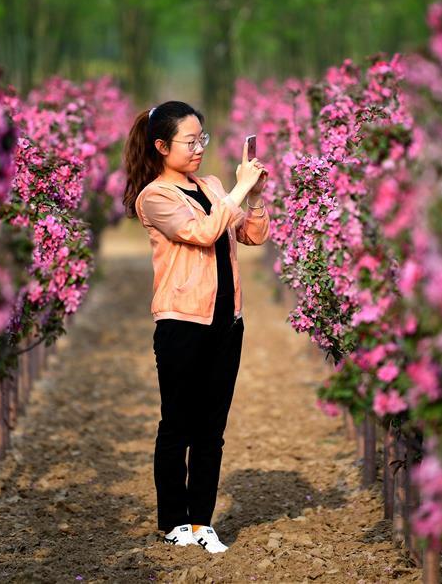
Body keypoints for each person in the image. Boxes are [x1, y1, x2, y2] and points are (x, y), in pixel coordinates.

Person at [122, 100, 270, 553]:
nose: (199, 148)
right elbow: (203, 233)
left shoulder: (211, 185)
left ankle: (203, 522)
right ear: (162, 146)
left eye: (202, 139)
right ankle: (174, 521)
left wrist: (255, 194)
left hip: (227, 322)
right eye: (190, 141)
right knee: (178, 425)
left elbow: (252, 235)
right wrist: (235, 194)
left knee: (212, 428)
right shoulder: (156, 197)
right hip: (181, 323)